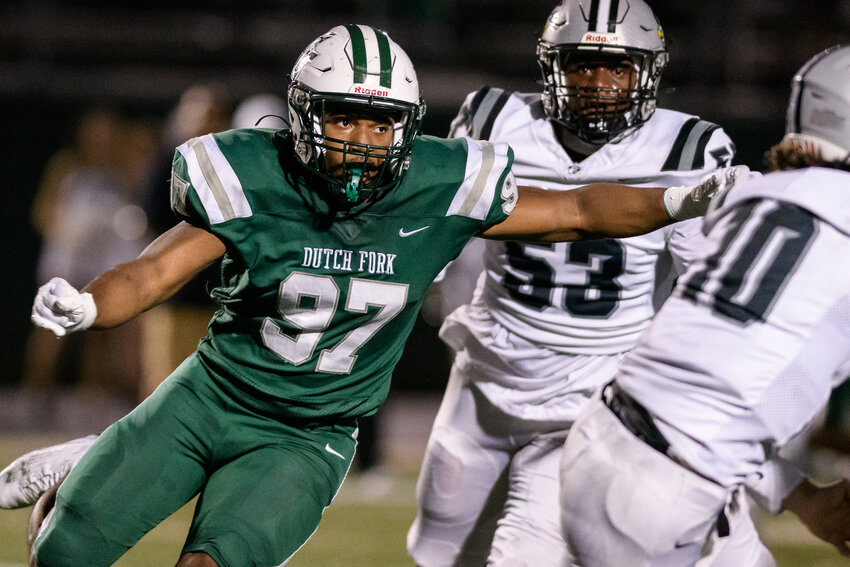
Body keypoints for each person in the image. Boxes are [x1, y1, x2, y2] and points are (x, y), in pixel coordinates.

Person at [10, 24, 734, 567]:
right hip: (208, 397)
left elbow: (578, 210)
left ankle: (103, 459)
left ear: (408, 126)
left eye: (380, 120)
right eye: (343, 116)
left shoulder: (440, 184)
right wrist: (93, 303)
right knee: (62, 554)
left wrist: (680, 199)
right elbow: (155, 270)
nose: (361, 138)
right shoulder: (257, 175)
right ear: (301, 117)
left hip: (308, 434)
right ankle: (101, 463)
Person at [407, 2, 768, 566]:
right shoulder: (493, 120)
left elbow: (703, 291)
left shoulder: (688, 150)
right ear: (552, 68)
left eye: (617, 67)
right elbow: (456, 235)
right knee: (438, 548)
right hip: (486, 375)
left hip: (593, 390)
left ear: (647, 73)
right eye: (581, 65)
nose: (598, 83)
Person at [559, 43, 850, 567]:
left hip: (615, 440)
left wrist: (802, 496)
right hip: (664, 487)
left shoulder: (756, 200)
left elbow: (729, 393)